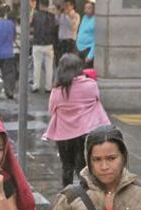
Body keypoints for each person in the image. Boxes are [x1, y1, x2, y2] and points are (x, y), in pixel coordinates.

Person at [45, 54, 111, 186]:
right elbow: (96, 99)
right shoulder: (90, 85)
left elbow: (52, 110)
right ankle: (86, 194)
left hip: (63, 135)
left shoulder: (58, 91)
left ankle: (67, 194)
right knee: (83, 167)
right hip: (84, 131)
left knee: (66, 166)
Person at [30, 0, 58, 92]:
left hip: (37, 43)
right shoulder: (52, 16)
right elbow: (55, 28)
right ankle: (48, 86)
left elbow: (30, 25)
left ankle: (36, 85)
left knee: (37, 65)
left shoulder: (35, 15)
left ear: (40, 5)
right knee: (49, 67)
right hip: (49, 44)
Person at [0, 6, 17, 99]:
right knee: (9, 73)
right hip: (9, 52)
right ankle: (9, 91)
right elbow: (14, 36)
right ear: (5, 14)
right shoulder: (11, 24)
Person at [76, 1, 96, 66]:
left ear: (94, 9)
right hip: (79, 48)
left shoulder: (96, 20)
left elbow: (97, 40)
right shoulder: (84, 17)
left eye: (89, 8)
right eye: (85, 8)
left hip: (88, 48)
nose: (86, 10)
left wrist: (90, 55)